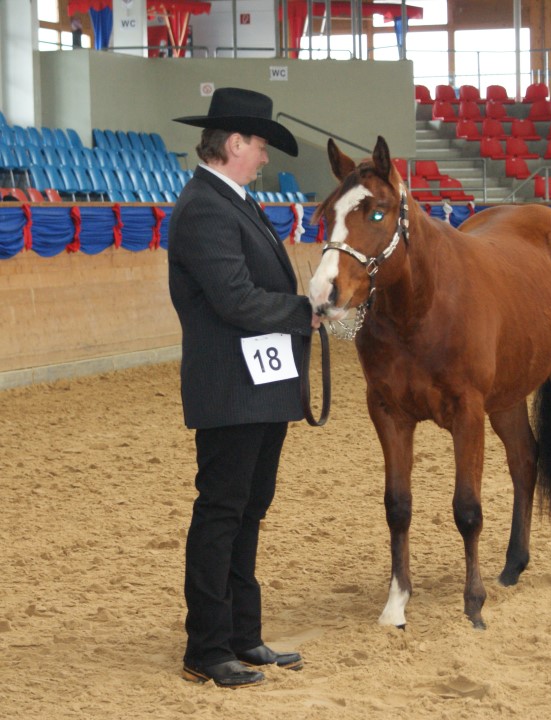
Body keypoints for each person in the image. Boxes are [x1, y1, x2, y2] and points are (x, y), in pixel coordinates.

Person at [168, 87, 321, 689]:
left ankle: (241, 635)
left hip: (256, 384)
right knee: (223, 512)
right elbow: (234, 299)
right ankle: (206, 648)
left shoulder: (232, 201)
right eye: (259, 146)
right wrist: (301, 310)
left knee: (247, 511)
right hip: (232, 388)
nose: (264, 158)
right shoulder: (206, 207)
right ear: (234, 144)